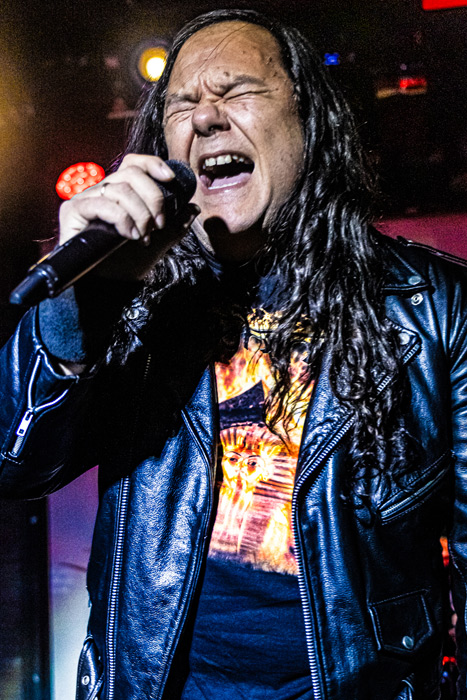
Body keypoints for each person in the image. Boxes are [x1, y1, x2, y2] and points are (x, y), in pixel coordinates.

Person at [0, 8, 466, 700]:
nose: (205, 118)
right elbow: (13, 464)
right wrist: (81, 310)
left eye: (238, 90)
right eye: (181, 104)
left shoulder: (433, 309)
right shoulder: (134, 303)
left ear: (310, 121)